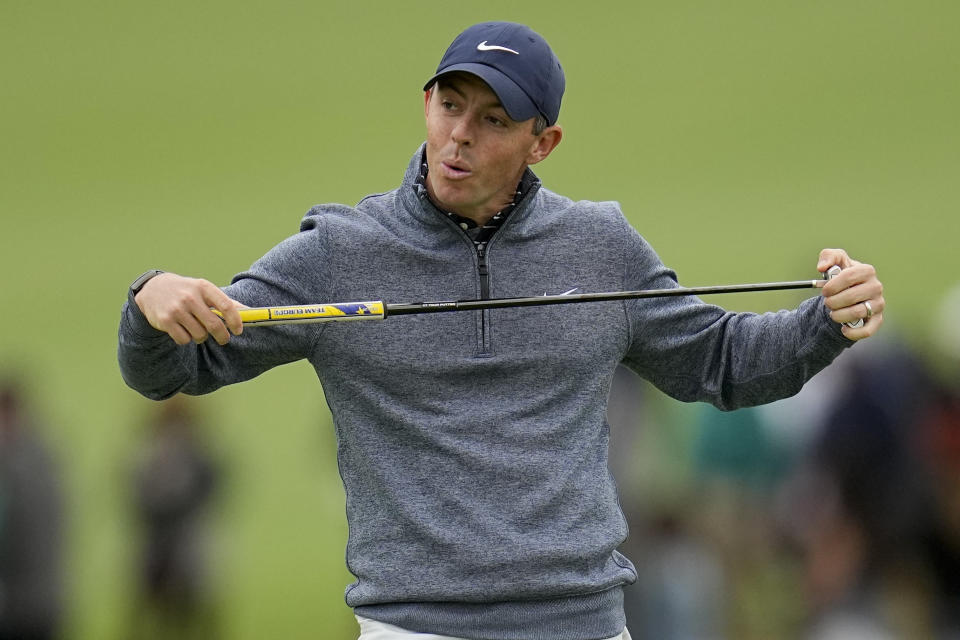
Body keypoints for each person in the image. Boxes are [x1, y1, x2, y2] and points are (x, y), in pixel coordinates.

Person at [117, 21, 885, 640]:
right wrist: (151, 302)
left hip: (581, 622)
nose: (460, 137)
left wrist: (827, 321)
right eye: (450, 107)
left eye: (493, 121)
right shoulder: (338, 253)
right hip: (413, 629)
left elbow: (721, 363)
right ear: (425, 103)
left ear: (542, 142)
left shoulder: (601, 244)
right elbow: (171, 371)